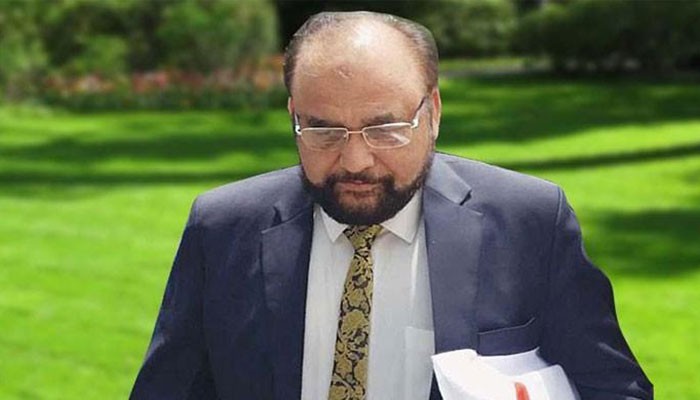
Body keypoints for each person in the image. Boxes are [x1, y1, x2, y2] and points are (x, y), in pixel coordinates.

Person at [130, 11, 652, 400]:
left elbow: (615, 388)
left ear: (433, 112)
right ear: (293, 115)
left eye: (385, 128)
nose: (356, 160)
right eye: (323, 130)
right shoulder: (222, 228)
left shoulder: (529, 221)